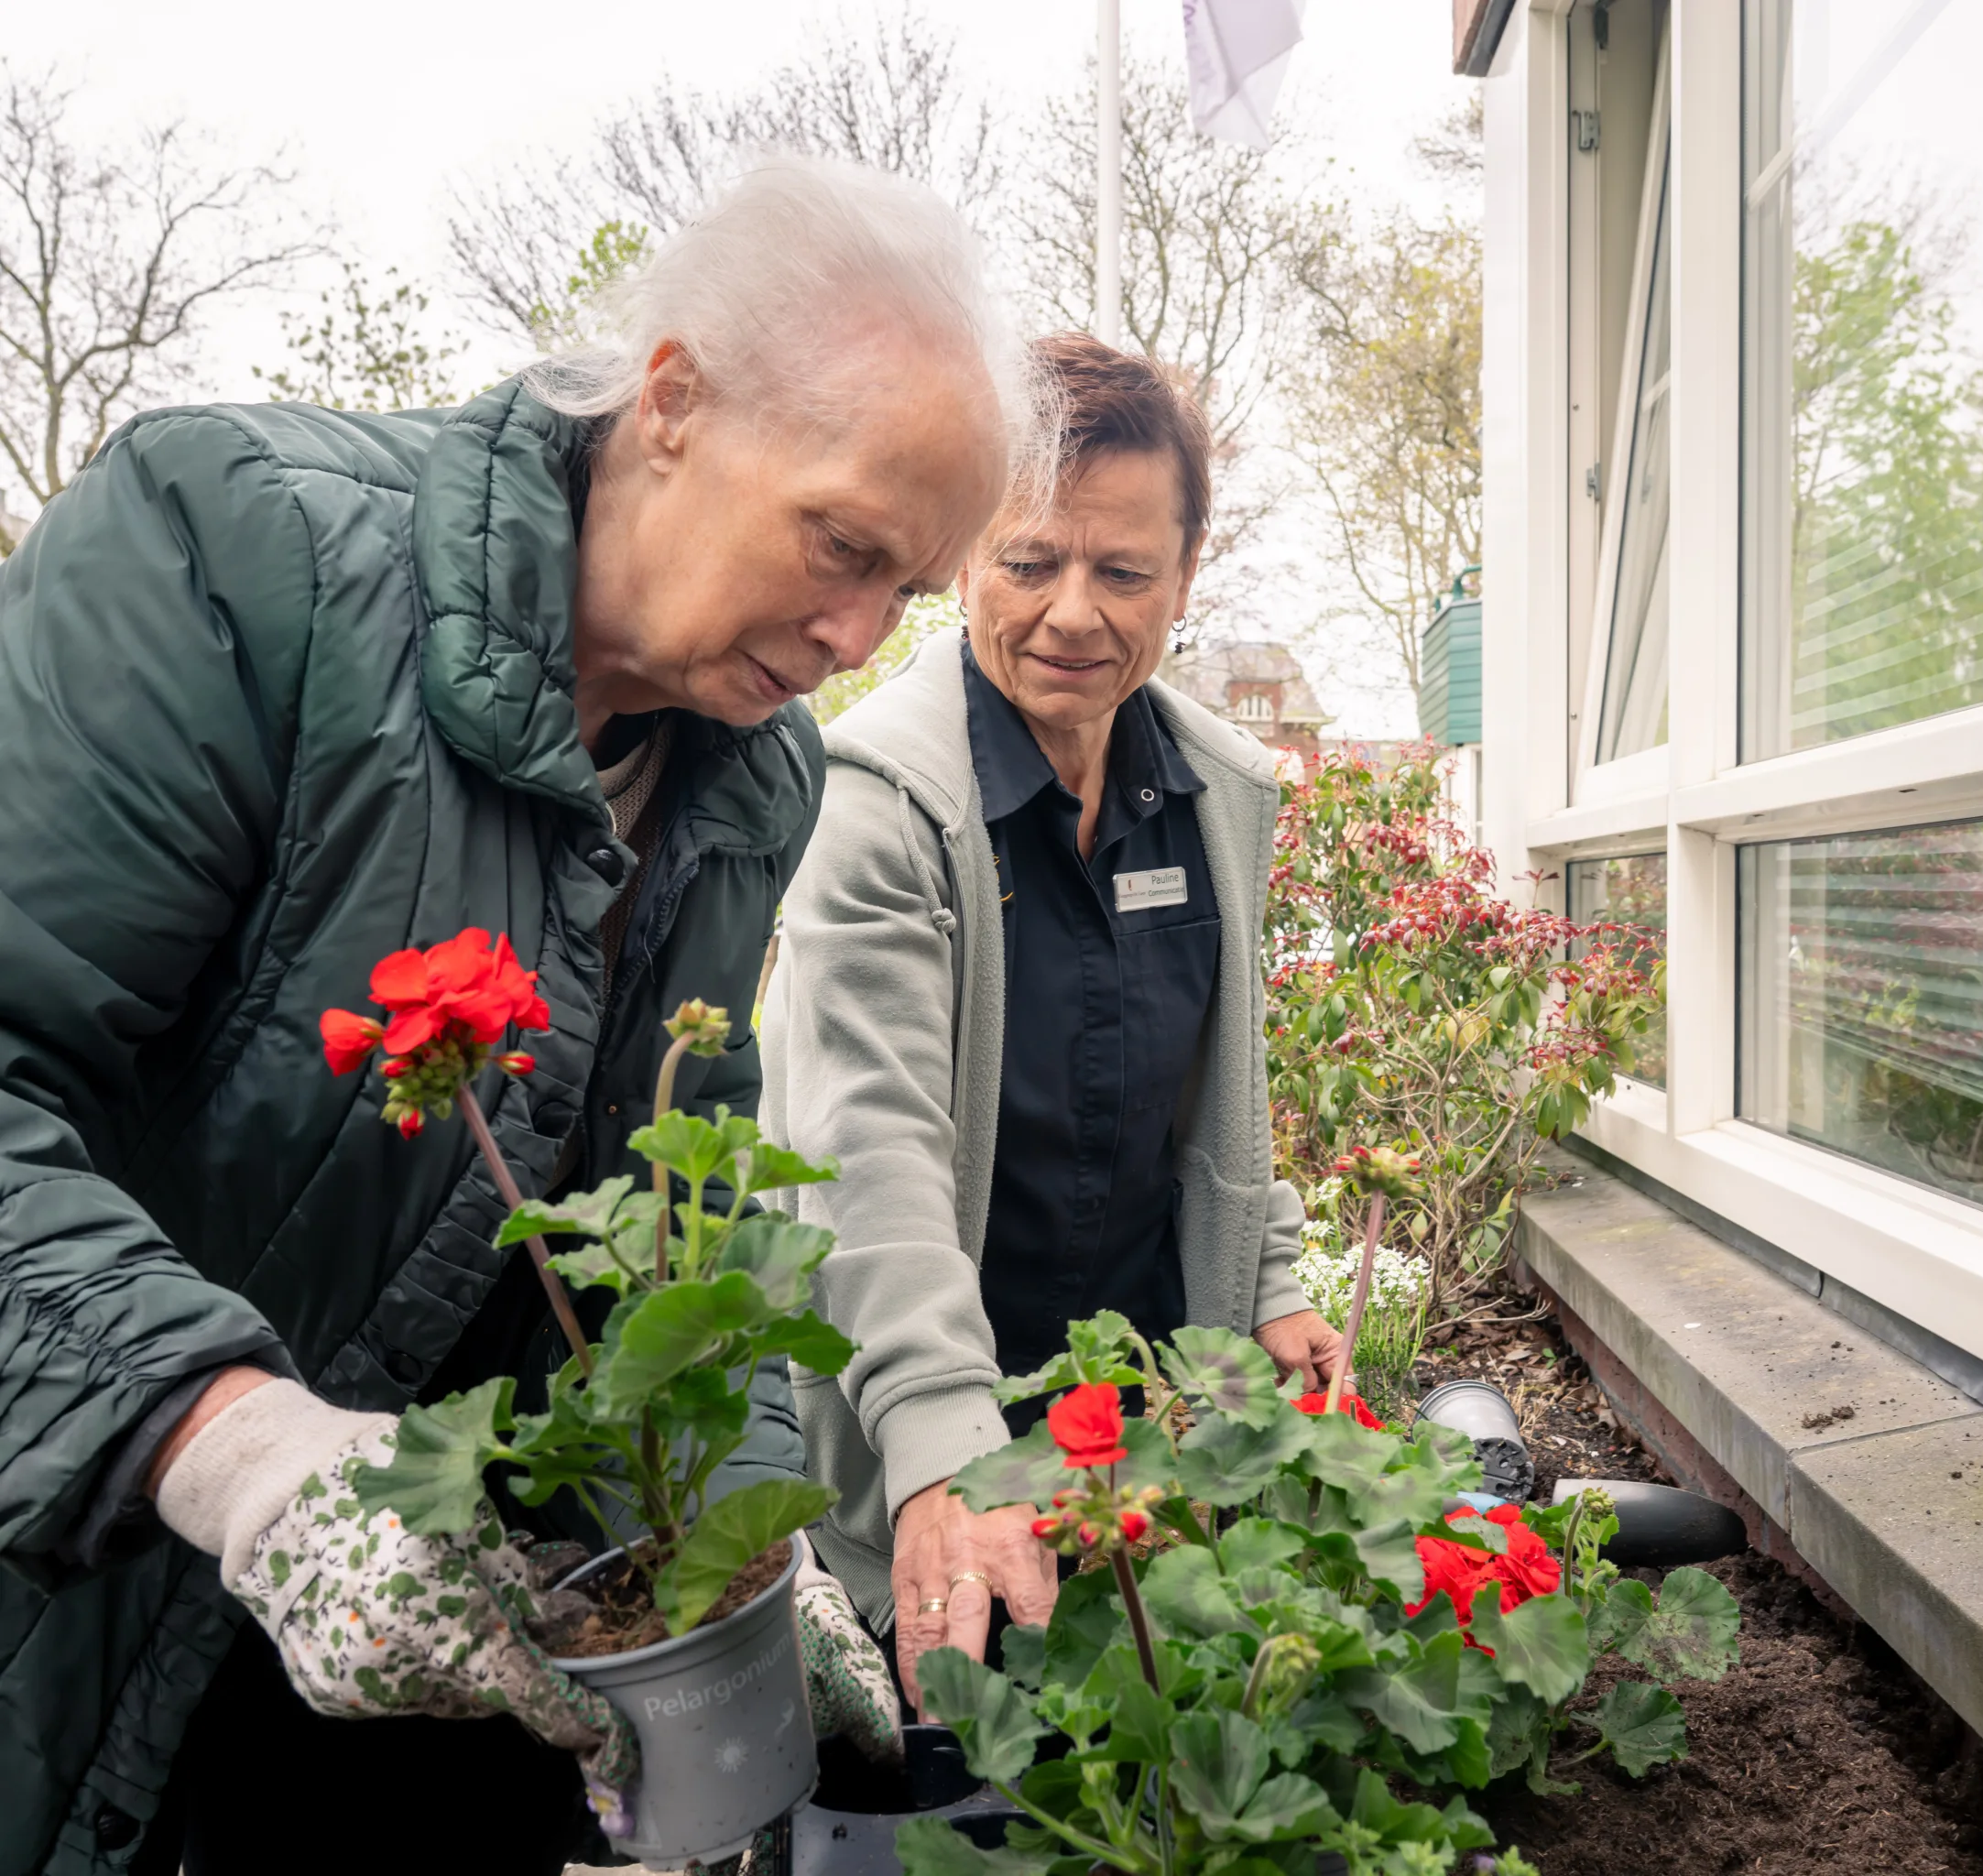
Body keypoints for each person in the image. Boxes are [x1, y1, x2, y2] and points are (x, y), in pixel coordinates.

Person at [0, 154, 1041, 1876]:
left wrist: (739, 1555)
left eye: (906, 596)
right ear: (676, 399)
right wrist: (240, 1453)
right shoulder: (235, 552)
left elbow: (651, 1246)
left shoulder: (749, 779)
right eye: (843, 545)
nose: (858, 636)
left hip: (435, 1667)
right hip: (83, 1590)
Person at [759, 333, 1345, 1698]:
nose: (1073, 612)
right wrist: (947, 1452)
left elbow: (1220, 1092)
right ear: (965, 556)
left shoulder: (1213, 793)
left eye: (1123, 570)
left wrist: (1267, 1287)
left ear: (1186, 578)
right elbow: (871, 1155)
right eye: (1030, 561)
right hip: (938, 1441)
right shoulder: (878, 808)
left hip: (1145, 1437)